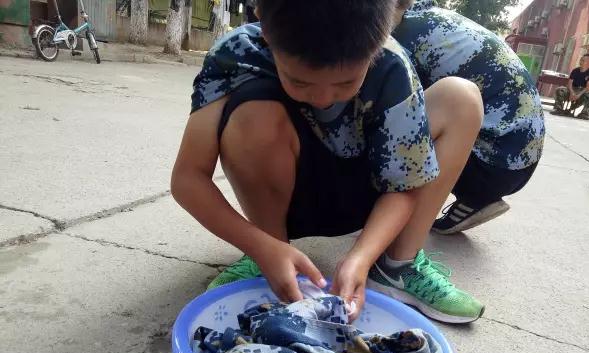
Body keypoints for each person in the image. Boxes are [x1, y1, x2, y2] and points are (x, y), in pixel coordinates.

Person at [171, 0, 486, 324]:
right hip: (285, 197)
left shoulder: (392, 65)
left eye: (346, 82)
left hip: (369, 198)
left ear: (380, 41)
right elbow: (188, 178)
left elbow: (404, 186)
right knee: (253, 116)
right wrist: (261, 246)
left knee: (461, 98)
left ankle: (397, 266)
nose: (323, 99)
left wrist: (361, 258)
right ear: (264, 26)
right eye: (299, 81)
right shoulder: (236, 55)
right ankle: (268, 256)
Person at [392, 0, 545, 233]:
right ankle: (477, 199)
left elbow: (394, 115)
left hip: (491, 165)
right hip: (516, 164)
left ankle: (406, 221)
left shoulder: (403, 35)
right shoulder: (430, 18)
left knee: (393, 126)